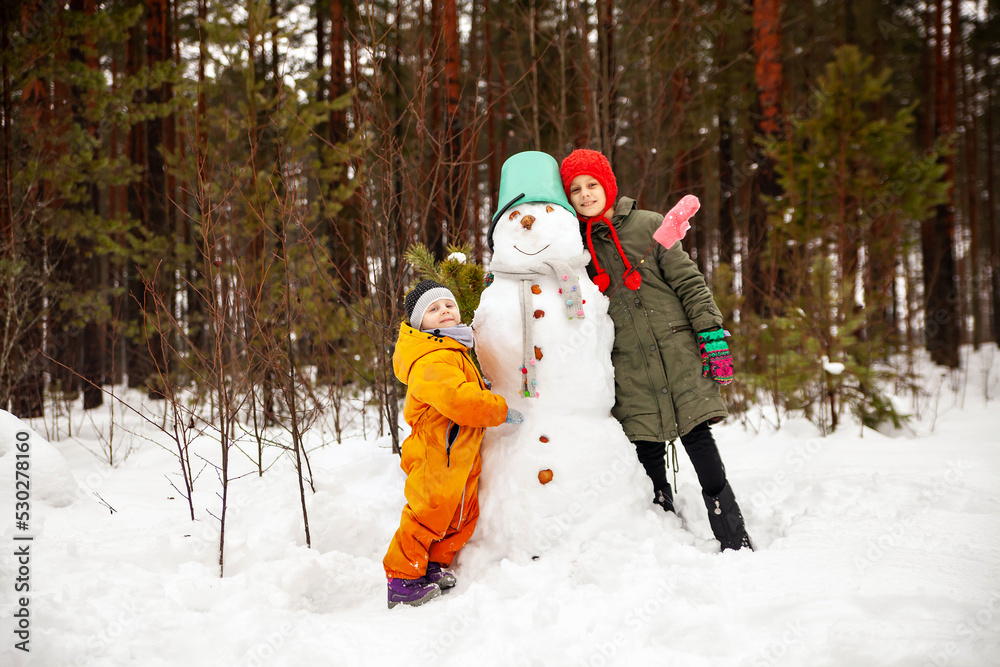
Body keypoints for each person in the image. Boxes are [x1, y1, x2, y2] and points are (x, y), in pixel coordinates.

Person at [559, 148, 753, 551]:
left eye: (592, 184)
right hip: (629, 364)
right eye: (575, 189)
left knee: (698, 439)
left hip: (678, 352)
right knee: (647, 449)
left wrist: (711, 337)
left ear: (607, 185)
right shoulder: (573, 249)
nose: (585, 194)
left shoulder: (649, 225)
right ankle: (661, 537)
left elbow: (689, 284)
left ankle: (733, 534)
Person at [384, 279, 524, 608]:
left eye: (448, 305)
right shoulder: (430, 358)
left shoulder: (452, 348)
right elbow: (457, 399)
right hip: (436, 454)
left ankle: (432, 564)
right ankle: (402, 578)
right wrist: (499, 409)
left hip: (457, 453)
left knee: (460, 513)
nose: (444, 311)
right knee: (427, 513)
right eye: (433, 309)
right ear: (420, 323)